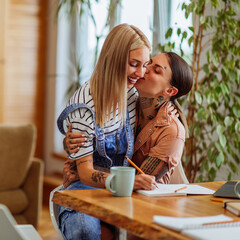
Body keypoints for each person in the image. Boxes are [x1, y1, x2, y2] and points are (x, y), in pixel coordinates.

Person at [56, 23, 153, 240]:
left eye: (145, 65)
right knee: (86, 233)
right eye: (134, 64)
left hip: (118, 193)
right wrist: (126, 182)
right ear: (113, 60)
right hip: (84, 190)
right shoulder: (84, 103)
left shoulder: (130, 95)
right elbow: (85, 173)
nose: (140, 73)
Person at [63, 52, 193, 191]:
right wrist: (70, 143)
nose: (145, 69)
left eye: (156, 70)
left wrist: (86, 172)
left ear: (169, 91)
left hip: (143, 205)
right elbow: (92, 141)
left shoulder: (172, 132)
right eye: (148, 62)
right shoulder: (125, 103)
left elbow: (139, 182)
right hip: (105, 193)